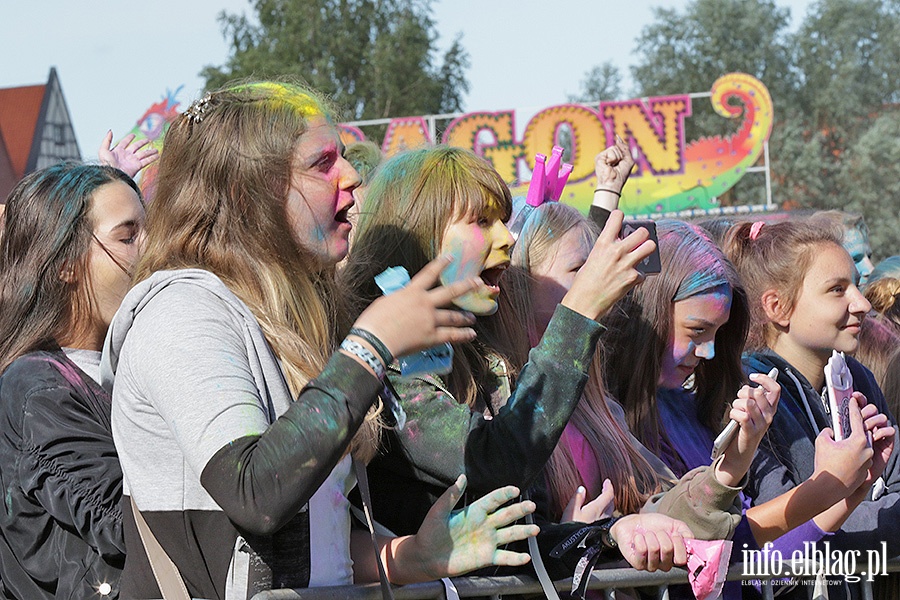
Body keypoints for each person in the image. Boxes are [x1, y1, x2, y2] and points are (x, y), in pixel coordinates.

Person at [101, 81, 538, 600]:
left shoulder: (284, 317)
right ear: (248, 192)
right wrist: (371, 346)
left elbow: (305, 545)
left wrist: (412, 555)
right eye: (322, 162)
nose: (350, 175)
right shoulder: (183, 311)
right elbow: (256, 492)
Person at [345, 144, 700, 574]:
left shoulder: (471, 351)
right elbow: (495, 462)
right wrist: (581, 309)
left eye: (503, 220)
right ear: (424, 234)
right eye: (482, 222)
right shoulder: (381, 358)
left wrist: (605, 536)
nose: (507, 237)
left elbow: (507, 538)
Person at [725, 219, 898, 591]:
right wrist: (858, 501)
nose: (863, 303)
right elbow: (790, 531)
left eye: (855, 284)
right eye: (837, 290)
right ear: (778, 307)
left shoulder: (857, 377)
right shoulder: (752, 394)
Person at [0, 162, 146, 599]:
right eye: (128, 235)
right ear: (66, 263)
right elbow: (126, 523)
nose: (151, 248)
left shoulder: (122, 365)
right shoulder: (38, 386)